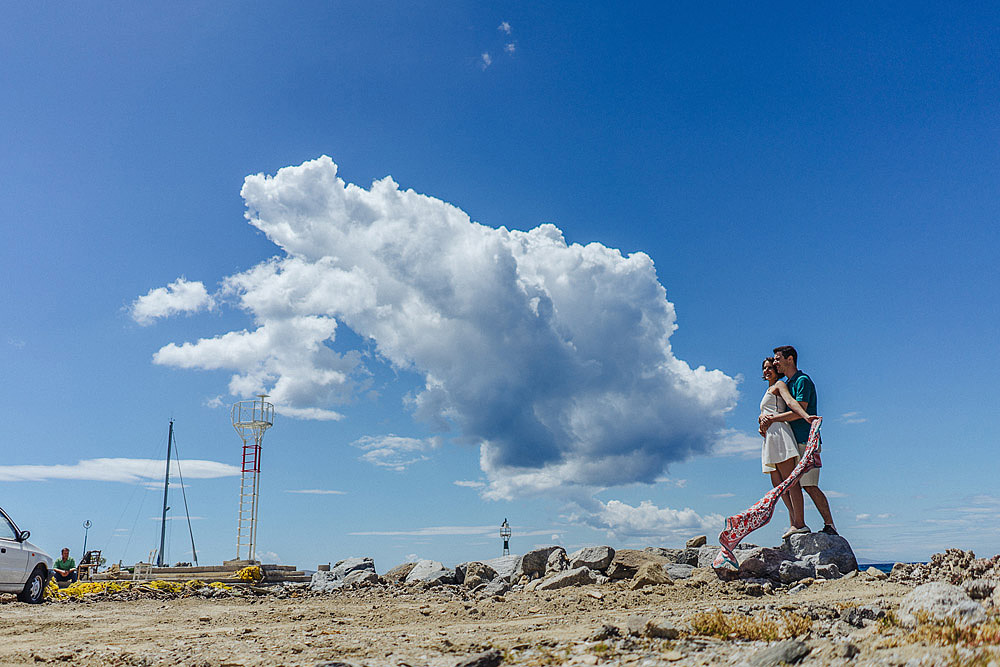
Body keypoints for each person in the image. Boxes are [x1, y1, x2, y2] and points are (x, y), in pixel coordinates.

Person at [760, 345, 838, 535]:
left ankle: (829, 526)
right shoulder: (789, 382)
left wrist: (772, 419)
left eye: (777, 359)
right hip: (793, 440)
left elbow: (798, 408)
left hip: (805, 439)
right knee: (792, 483)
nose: (775, 362)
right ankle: (796, 523)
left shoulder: (802, 381)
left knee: (809, 485)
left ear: (790, 359)